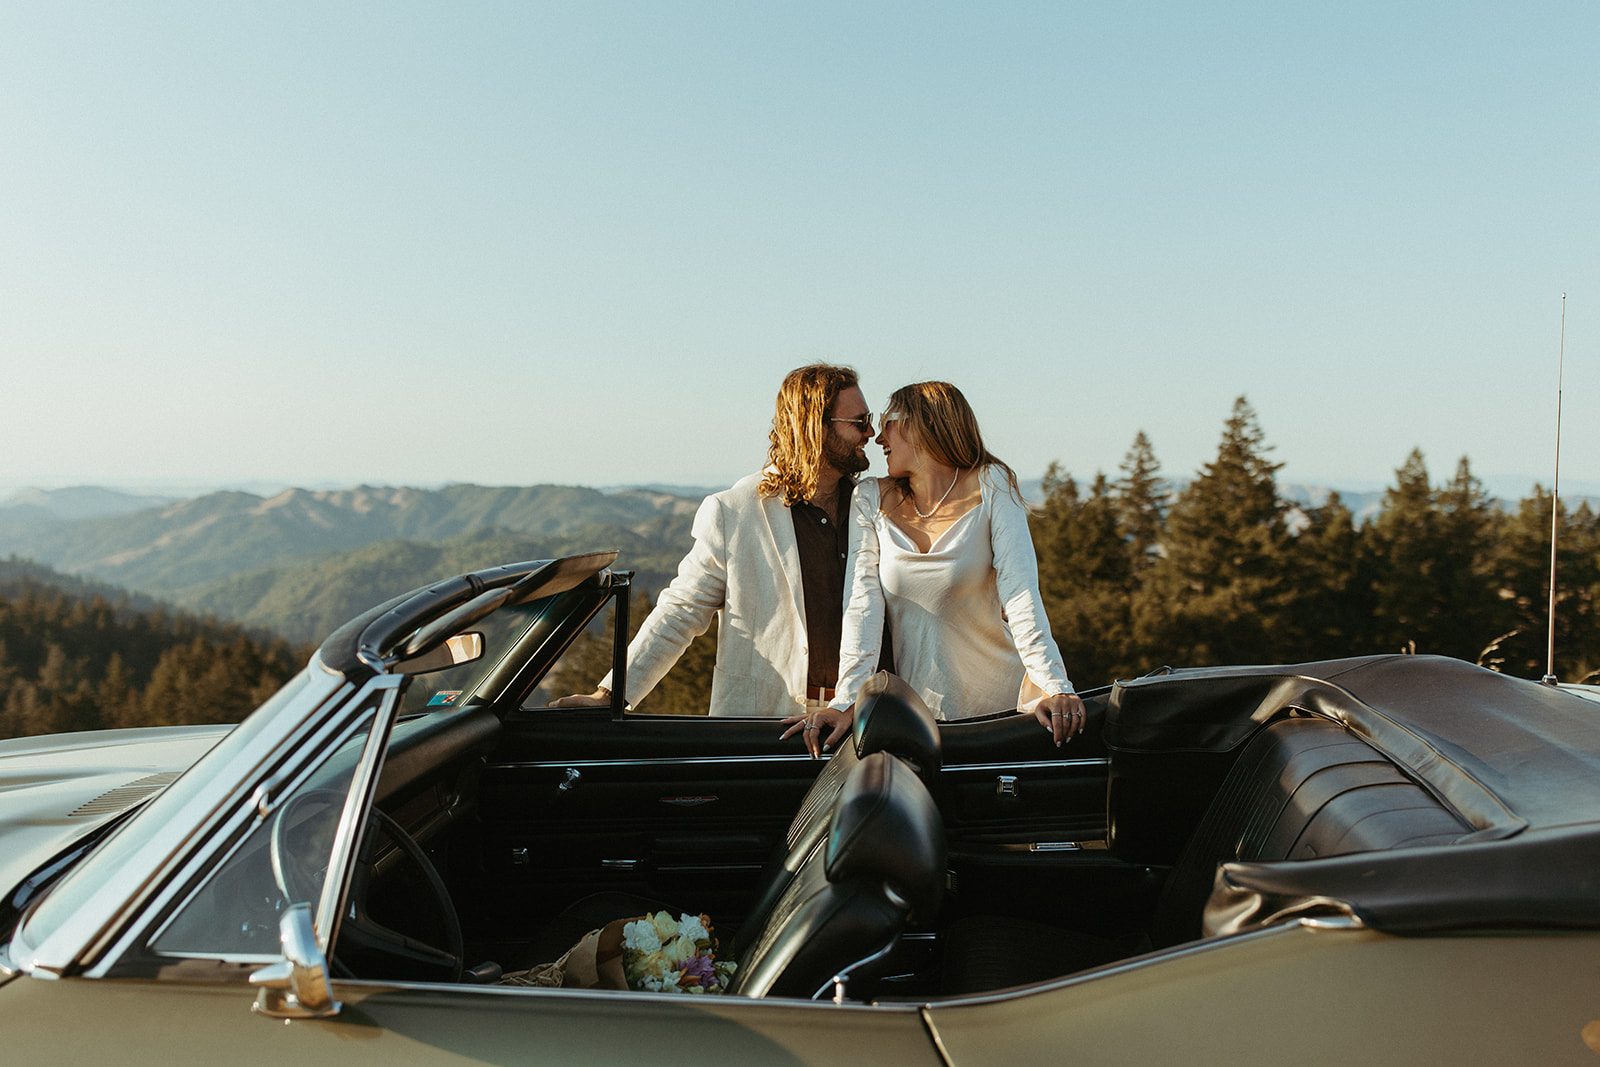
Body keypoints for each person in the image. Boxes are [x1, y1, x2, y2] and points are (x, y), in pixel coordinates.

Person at [552, 363, 875, 717]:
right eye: (860, 422)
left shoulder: (876, 509)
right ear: (815, 427)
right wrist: (609, 694)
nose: (870, 432)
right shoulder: (734, 512)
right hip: (764, 726)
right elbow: (681, 611)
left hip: (861, 720)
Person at [784, 380, 1085, 755]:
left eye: (888, 421)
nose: (878, 438)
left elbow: (1022, 596)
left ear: (922, 422)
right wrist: (846, 700)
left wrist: (1055, 685)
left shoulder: (993, 484)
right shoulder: (870, 498)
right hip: (918, 718)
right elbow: (862, 607)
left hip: (1003, 711)